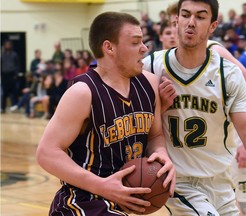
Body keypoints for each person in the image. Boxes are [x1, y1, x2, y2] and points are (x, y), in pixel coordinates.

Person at [143, 0, 246, 215]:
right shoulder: (151, 66)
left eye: (200, 17)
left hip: (222, 181)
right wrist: (159, 107)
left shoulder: (227, 72)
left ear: (213, 26)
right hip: (180, 182)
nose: (191, 22)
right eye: (185, 15)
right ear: (176, 20)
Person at [36, 11, 176, 215]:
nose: (144, 49)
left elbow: (155, 136)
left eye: (143, 42)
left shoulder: (150, 84)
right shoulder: (82, 92)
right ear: (109, 47)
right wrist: (102, 186)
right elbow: (46, 153)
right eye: (136, 42)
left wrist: (161, 156)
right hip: (82, 202)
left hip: (120, 204)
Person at [1, 40, 20, 113]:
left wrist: (16, 75)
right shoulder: (2, 55)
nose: (7, 46)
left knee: (13, 92)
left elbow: (17, 65)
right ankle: (3, 108)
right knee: (4, 92)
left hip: (12, 75)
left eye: (9, 45)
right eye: (6, 44)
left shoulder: (14, 54)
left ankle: (14, 107)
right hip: (4, 75)